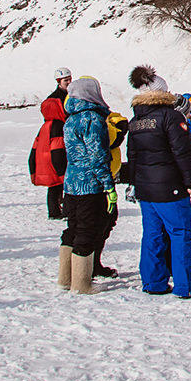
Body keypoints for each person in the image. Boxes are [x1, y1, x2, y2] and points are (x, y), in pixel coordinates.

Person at [125, 65, 191, 298]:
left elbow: (132, 156)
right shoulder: (170, 117)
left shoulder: (135, 120)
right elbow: (182, 152)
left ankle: (153, 281)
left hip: (146, 188)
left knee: (152, 235)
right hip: (170, 187)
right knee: (179, 234)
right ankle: (185, 286)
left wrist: (134, 183)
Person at [60, 76, 116, 294]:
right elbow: (98, 156)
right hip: (90, 185)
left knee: (72, 228)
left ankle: (65, 277)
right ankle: (82, 283)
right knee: (88, 229)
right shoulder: (92, 119)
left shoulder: (71, 118)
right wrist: (108, 186)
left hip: (71, 183)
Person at [30, 69, 70, 219]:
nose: (69, 83)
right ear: (59, 82)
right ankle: (61, 209)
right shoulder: (57, 102)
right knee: (58, 182)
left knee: (54, 184)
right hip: (58, 145)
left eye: (69, 79)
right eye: (66, 80)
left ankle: (56, 209)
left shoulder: (47, 124)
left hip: (52, 144)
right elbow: (57, 148)